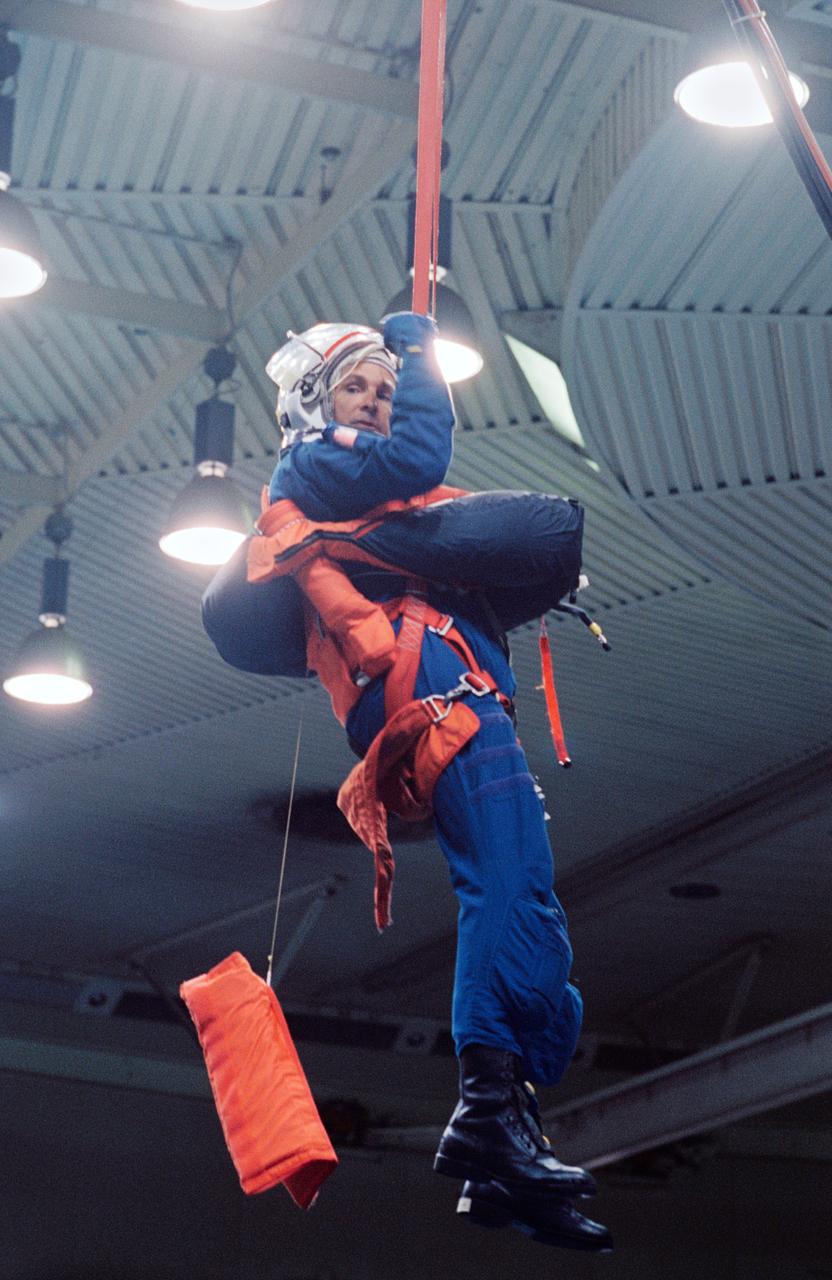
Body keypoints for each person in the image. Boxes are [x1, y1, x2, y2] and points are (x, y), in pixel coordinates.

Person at [259, 312, 611, 1252]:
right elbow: (420, 449)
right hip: (434, 688)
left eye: (381, 385)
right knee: (504, 883)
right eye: (357, 388)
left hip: (442, 686)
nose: (374, 402)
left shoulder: (379, 515)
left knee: (523, 892)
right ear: (312, 403)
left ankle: (505, 1142)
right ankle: (486, 1112)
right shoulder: (315, 466)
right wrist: (413, 352)